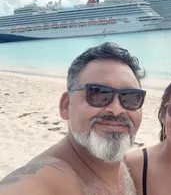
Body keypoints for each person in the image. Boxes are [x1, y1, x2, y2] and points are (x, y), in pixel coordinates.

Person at [0, 42, 147, 195]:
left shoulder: (127, 166)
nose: (117, 110)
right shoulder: (44, 180)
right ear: (66, 106)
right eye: (98, 93)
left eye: (130, 97)